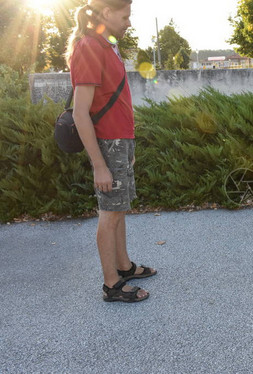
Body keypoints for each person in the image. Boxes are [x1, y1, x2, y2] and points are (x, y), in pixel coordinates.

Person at [66, 0, 156, 302]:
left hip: (119, 142)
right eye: (125, 15)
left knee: (118, 210)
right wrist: (99, 164)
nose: (129, 22)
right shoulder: (90, 46)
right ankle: (111, 284)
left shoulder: (106, 46)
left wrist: (127, 145)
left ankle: (124, 265)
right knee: (109, 214)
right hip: (108, 144)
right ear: (106, 13)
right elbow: (80, 113)